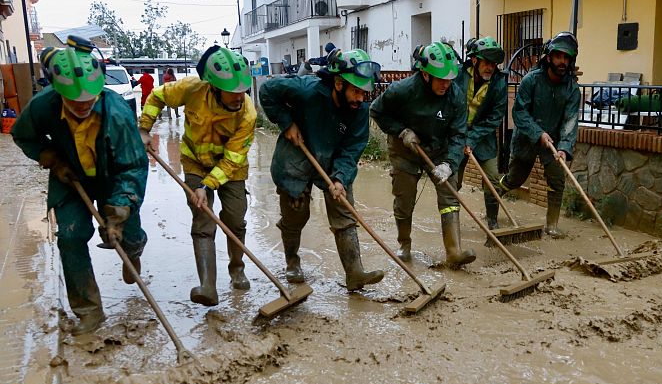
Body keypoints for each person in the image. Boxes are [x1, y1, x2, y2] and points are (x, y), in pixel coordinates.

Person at [12, 37, 149, 334]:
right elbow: (22, 136)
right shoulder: (42, 107)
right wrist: (48, 156)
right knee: (71, 236)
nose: (85, 104)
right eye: (76, 100)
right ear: (59, 92)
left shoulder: (116, 112)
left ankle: (134, 251)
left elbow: (134, 165)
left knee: (128, 234)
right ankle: (89, 311)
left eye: (90, 98)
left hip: (113, 176)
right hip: (70, 176)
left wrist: (121, 205)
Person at [138, 45, 256, 306]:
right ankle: (207, 286)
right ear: (213, 87)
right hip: (194, 162)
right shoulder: (192, 89)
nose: (239, 96)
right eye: (232, 92)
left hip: (230, 169)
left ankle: (237, 269)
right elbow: (157, 97)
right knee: (203, 219)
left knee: (235, 219)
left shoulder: (247, 113)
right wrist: (145, 128)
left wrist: (208, 184)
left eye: (242, 90)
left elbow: (234, 157)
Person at [259, 48, 384, 291]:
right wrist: (286, 123)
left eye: (364, 92)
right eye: (356, 91)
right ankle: (292, 262)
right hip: (296, 154)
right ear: (338, 83)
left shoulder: (360, 110)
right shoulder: (307, 90)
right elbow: (266, 90)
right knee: (296, 214)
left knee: (344, 212)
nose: (361, 98)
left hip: (332, 160)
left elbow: (353, 147)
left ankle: (354, 273)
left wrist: (340, 178)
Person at [370, 41, 475, 268]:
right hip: (405, 150)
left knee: (449, 193)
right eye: (441, 79)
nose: (446, 84)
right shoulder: (403, 90)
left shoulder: (455, 96)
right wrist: (401, 131)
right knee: (404, 198)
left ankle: (454, 251)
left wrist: (449, 164)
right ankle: (404, 245)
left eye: (449, 79)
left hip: (439, 148)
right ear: (426, 75)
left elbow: (458, 135)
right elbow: (376, 110)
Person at [498, 31, 580, 238]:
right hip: (527, 137)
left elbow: (571, 120)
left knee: (557, 180)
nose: (562, 61)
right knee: (515, 179)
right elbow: (519, 112)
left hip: (553, 142)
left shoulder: (572, 89)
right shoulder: (531, 80)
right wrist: (538, 133)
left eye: (566, 57)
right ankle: (494, 198)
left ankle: (551, 225)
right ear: (549, 57)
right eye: (559, 56)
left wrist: (564, 147)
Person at [453, 36, 507, 229]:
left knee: (493, 179)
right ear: (475, 60)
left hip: (483, 137)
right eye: (486, 62)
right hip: (456, 136)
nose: (490, 67)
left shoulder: (499, 83)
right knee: (452, 181)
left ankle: (492, 222)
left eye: (493, 63)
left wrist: (473, 138)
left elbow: (495, 116)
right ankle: (452, 222)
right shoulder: (457, 75)